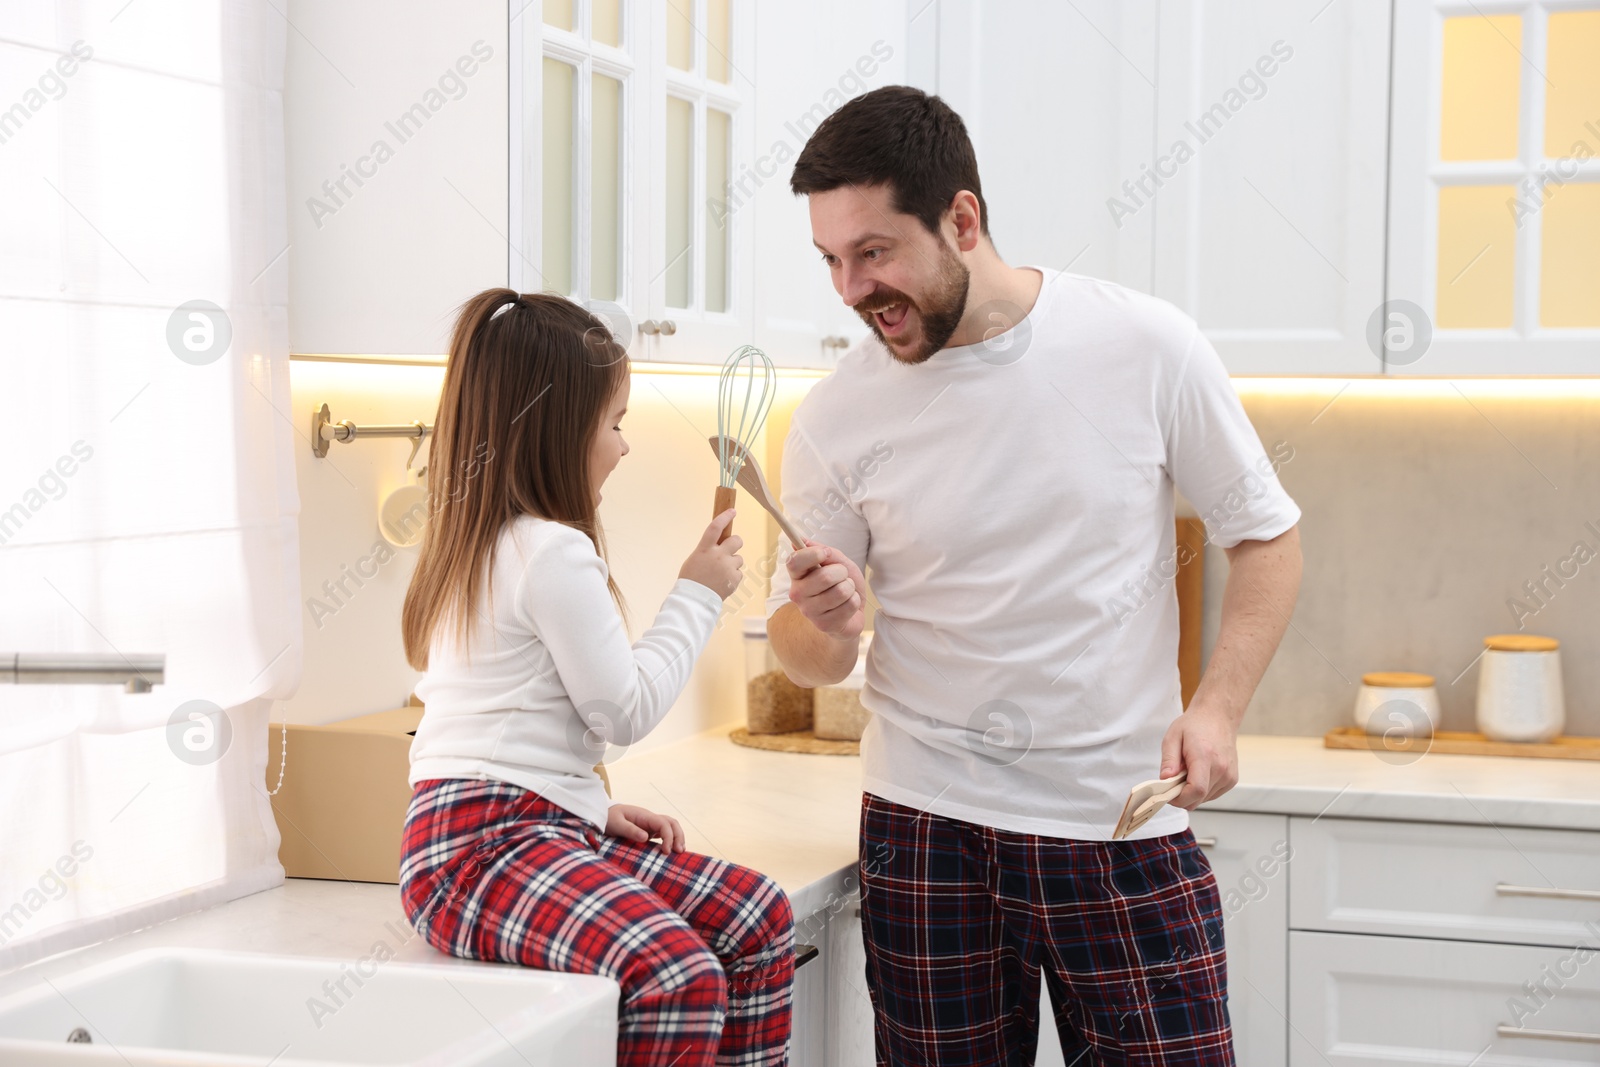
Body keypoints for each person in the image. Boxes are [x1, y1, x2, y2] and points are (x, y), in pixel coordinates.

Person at [769, 86, 1303, 1065]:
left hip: (1117, 813)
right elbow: (802, 653)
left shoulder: (1143, 345)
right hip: (922, 828)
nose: (849, 288)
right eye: (831, 260)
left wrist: (1217, 707)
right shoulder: (837, 415)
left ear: (962, 219)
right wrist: (825, 618)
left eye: (874, 251)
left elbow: (1265, 537)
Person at [397, 289, 795, 1067]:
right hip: (477, 852)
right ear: (557, 430)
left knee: (759, 916)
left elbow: (510, 723)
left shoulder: (478, 542)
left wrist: (585, 804)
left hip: (514, 829)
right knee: (676, 975)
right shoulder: (550, 550)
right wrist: (700, 590)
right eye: (614, 423)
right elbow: (623, 708)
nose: (623, 446)